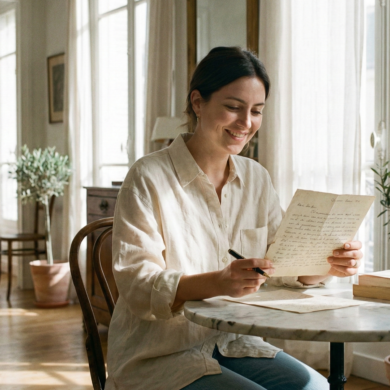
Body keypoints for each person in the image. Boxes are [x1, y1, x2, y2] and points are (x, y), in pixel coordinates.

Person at [105, 47, 362, 390]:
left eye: (256, 111)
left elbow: (279, 263)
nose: (246, 123)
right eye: (233, 107)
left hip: (234, 344)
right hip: (158, 356)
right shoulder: (148, 176)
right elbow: (137, 284)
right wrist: (218, 281)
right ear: (197, 102)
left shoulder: (256, 178)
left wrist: (328, 263)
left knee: (314, 387)